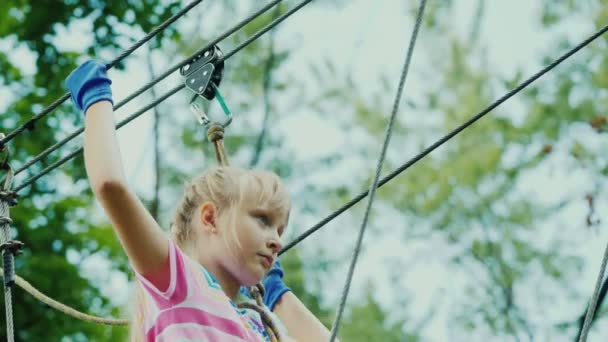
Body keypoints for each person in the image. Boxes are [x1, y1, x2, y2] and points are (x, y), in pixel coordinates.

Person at [65, 60, 333, 341]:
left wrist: (277, 294)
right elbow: (110, 185)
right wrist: (95, 98)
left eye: (280, 230)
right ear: (209, 217)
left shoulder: (255, 324)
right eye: (263, 220)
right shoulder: (179, 282)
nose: (277, 241)